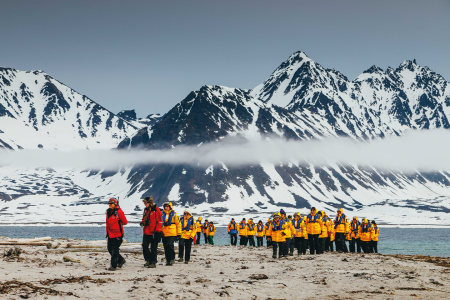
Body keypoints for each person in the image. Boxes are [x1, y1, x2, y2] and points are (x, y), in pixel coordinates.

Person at [106, 197, 128, 271]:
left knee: (115, 250)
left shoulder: (119, 212)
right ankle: (121, 260)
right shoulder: (108, 212)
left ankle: (113, 265)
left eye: (111, 203)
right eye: (109, 203)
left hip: (117, 234)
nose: (109, 205)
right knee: (109, 249)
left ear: (115, 204)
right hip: (110, 234)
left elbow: (125, 222)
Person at [140, 196, 162, 268]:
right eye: (144, 203)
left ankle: (153, 262)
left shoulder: (156, 210)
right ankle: (148, 259)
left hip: (154, 232)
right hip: (146, 231)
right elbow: (144, 218)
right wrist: (142, 222)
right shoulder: (145, 210)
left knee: (153, 248)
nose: (145, 204)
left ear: (150, 203)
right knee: (144, 246)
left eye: (146, 203)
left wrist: (157, 230)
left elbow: (159, 221)